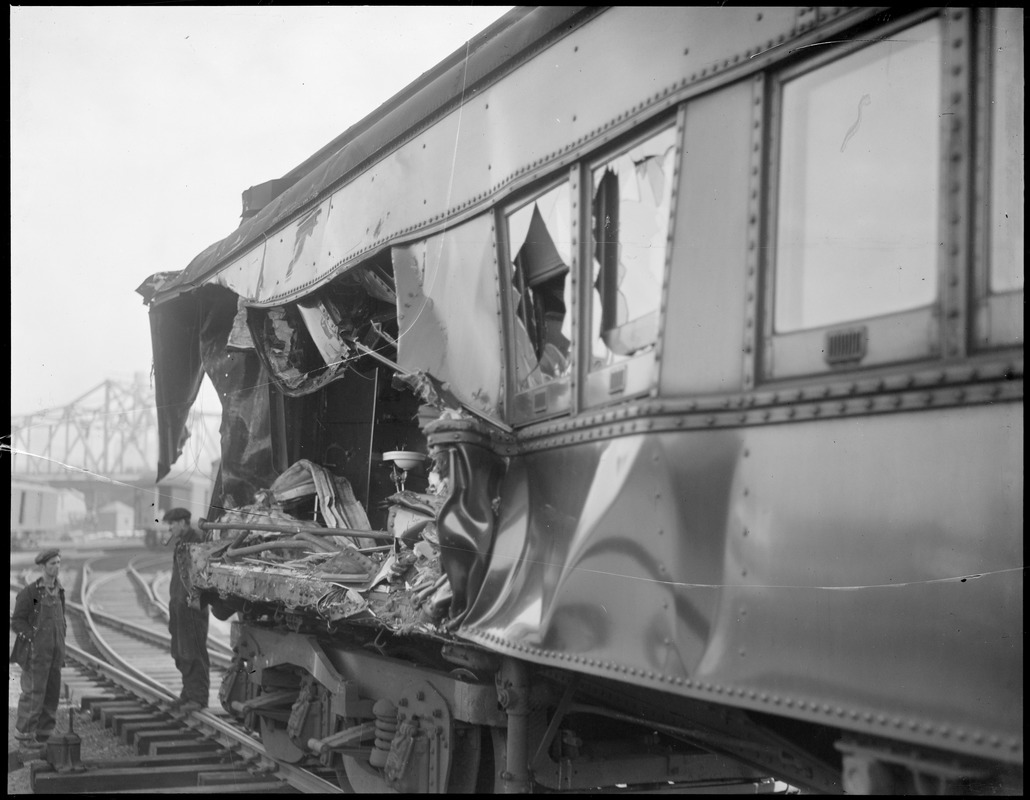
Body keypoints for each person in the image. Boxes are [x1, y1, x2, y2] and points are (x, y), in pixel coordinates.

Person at [11, 549, 67, 746]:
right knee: (34, 694)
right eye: (52, 563)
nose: (56, 567)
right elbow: (17, 621)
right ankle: (25, 735)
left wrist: (61, 644)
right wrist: (32, 640)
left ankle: (45, 733)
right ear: (42, 567)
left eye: (58, 563)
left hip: (55, 652)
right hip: (36, 654)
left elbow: (62, 621)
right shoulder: (33, 593)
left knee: (52, 694)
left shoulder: (60, 591)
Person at [162, 507, 210, 711]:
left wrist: (191, 601)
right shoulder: (182, 542)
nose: (170, 528)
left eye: (172, 524)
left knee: (194, 651)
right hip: (180, 605)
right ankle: (188, 693)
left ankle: (198, 698)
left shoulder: (197, 541)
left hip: (191, 606)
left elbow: (201, 577)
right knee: (181, 650)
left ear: (183, 522)